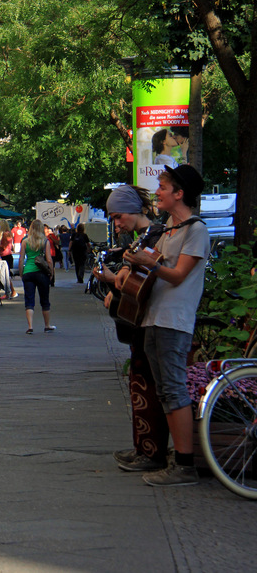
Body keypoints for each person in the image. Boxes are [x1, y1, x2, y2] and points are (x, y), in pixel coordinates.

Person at [120, 164, 209, 487]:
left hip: (174, 320)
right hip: (155, 317)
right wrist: (133, 263)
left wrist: (150, 262)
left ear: (179, 193)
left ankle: (185, 464)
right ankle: (168, 454)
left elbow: (178, 274)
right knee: (164, 390)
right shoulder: (170, 227)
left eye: (162, 187)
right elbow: (152, 264)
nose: (157, 192)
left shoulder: (195, 230)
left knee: (173, 389)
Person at [93, 185, 168, 473]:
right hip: (140, 322)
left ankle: (151, 451)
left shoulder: (154, 236)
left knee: (147, 384)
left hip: (149, 322)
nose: (116, 223)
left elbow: (140, 281)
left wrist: (116, 280)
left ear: (131, 211)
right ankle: (143, 446)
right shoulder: (143, 238)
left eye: (117, 216)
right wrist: (115, 280)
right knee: (138, 381)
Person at [20, 219, 55, 334]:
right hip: (41, 273)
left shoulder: (25, 241)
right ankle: (47, 325)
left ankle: (30, 327)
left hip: (28, 272)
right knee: (44, 300)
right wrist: (51, 273)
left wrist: (22, 273)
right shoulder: (45, 241)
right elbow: (49, 260)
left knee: (29, 300)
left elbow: (21, 259)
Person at [0, 227, 19, 299]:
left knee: (5, 276)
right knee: (7, 276)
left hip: (5, 255)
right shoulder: (10, 234)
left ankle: (11, 292)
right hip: (9, 255)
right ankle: (11, 292)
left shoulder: (5, 234)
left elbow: (4, 246)